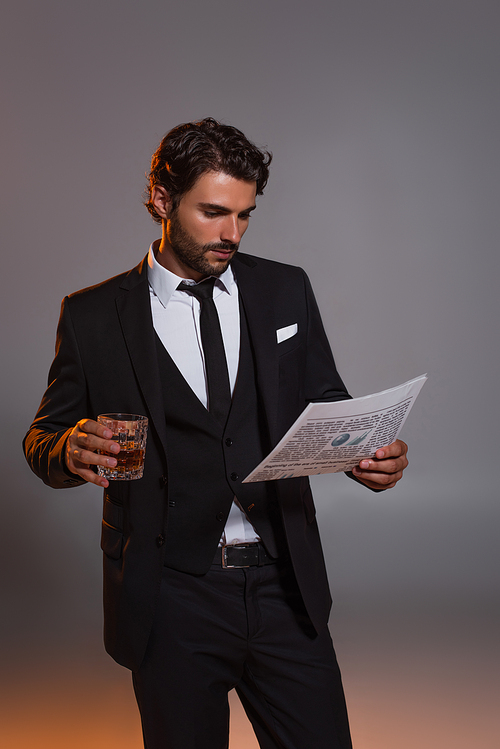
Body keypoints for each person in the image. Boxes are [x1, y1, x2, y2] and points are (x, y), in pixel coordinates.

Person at [24, 118, 409, 749]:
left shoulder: (285, 288)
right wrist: (68, 449)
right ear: (160, 201)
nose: (232, 233)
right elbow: (43, 439)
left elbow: (327, 400)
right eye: (212, 212)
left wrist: (368, 452)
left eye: (246, 215)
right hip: (170, 593)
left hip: (284, 583)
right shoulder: (92, 314)